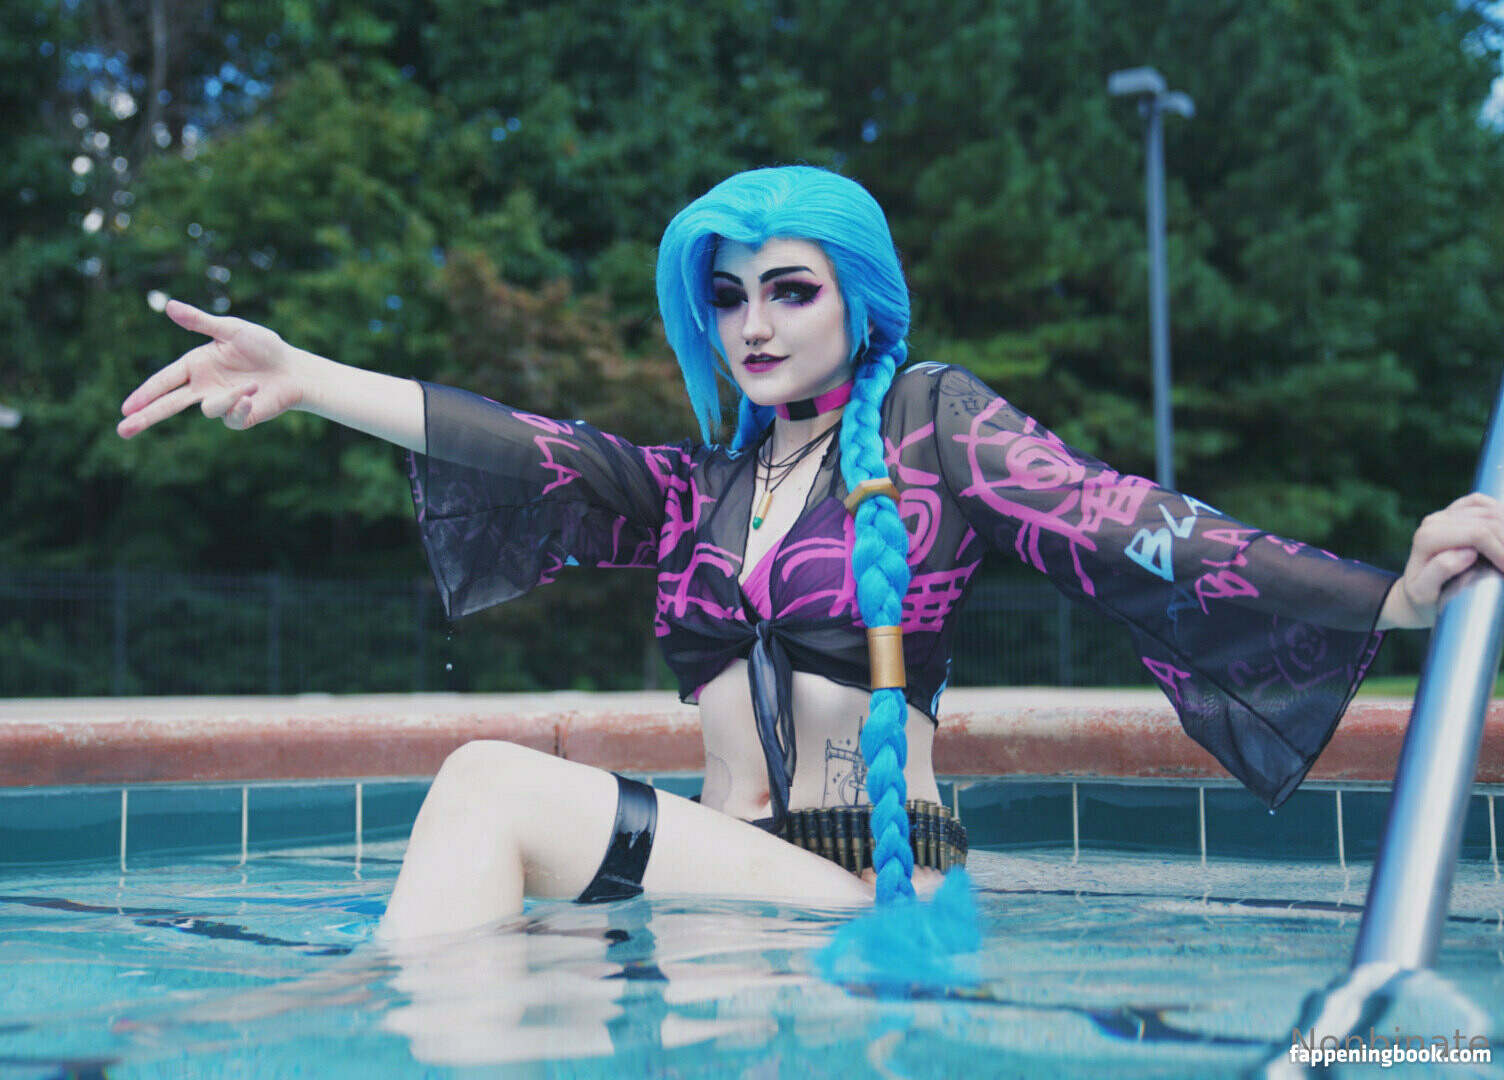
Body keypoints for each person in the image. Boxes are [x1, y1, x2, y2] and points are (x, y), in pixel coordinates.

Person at [118, 166, 1504, 940]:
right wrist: (306, 377)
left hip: (869, 892)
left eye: (791, 289)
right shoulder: (696, 490)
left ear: (861, 299)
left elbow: (1121, 520)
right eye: (729, 297)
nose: (755, 324)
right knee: (506, 983)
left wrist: (1387, 598)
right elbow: (517, 446)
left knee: (486, 784)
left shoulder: (931, 428)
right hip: (722, 884)